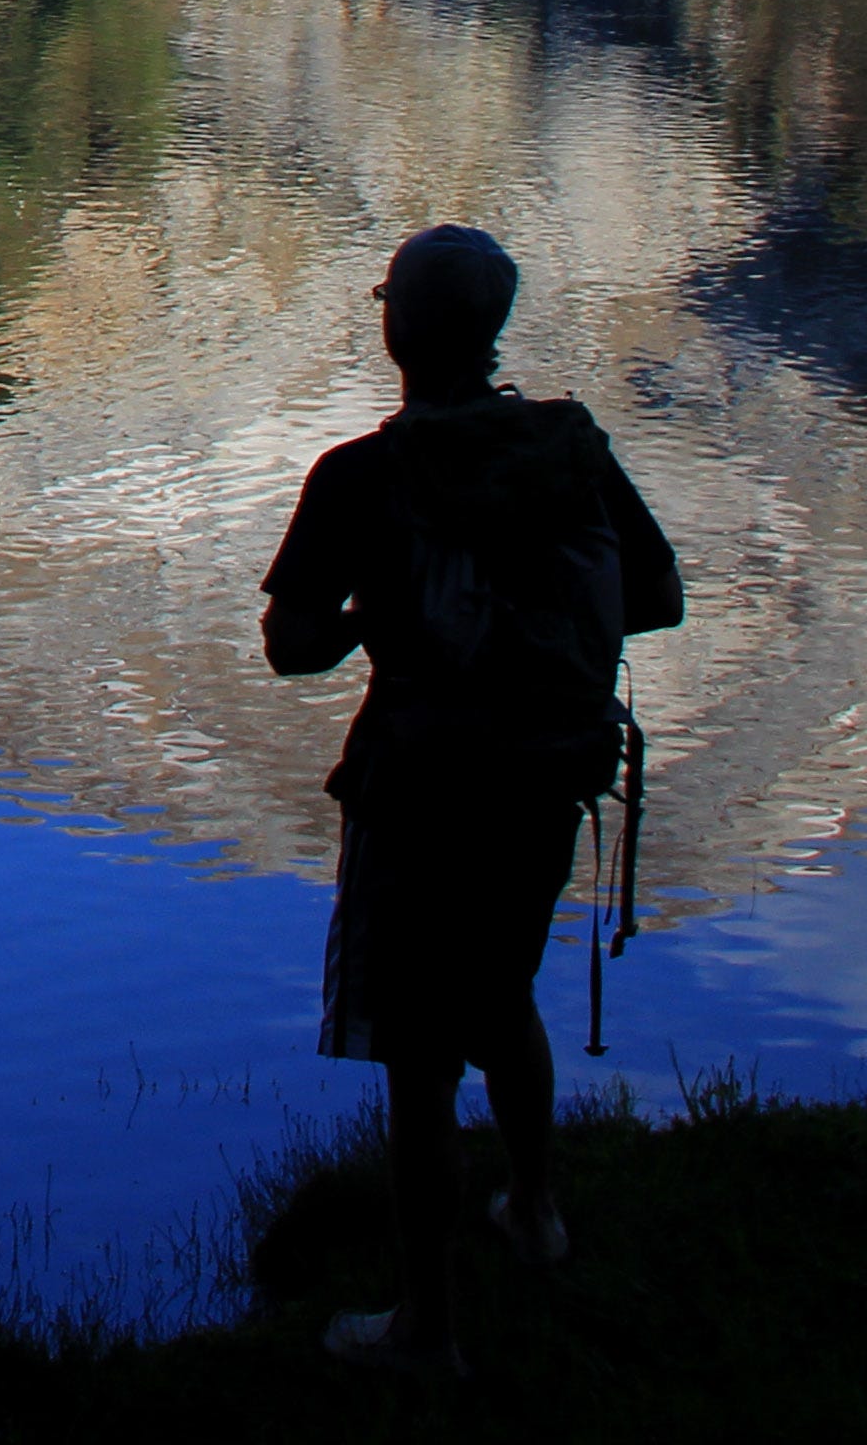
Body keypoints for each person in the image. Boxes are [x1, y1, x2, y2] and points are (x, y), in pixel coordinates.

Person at [260, 225, 683, 1380]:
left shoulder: (362, 476)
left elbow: (292, 645)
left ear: (396, 328)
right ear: (491, 333)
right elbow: (658, 596)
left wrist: (376, 620)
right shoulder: (569, 450)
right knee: (502, 992)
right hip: (548, 771)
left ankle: (427, 1328)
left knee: (418, 1055)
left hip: (421, 786)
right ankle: (535, 1211)